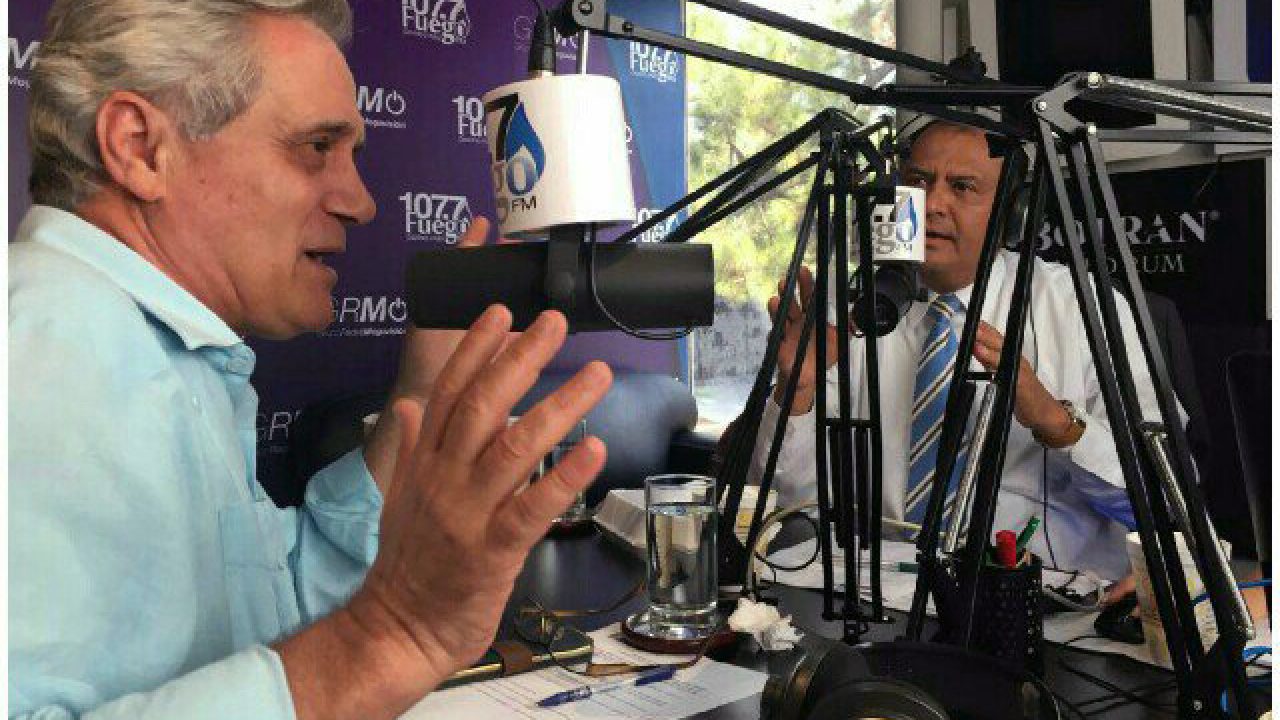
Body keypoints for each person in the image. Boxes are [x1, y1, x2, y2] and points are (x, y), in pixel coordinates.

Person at [10, 1, 612, 718]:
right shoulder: (36, 360)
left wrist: (423, 396)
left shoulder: (152, 348)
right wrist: (396, 636)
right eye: (316, 147)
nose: (361, 202)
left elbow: (271, 613)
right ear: (140, 148)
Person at [752, 119, 1186, 583]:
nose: (932, 204)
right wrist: (796, 393)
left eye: (962, 187)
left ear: (1011, 215)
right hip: (887, 590)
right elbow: (791, 505)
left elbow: (1163, 500)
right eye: (918, 181)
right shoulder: (849, 306)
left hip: (1046, 598)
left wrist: (1055, 422)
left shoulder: (1083, 306)